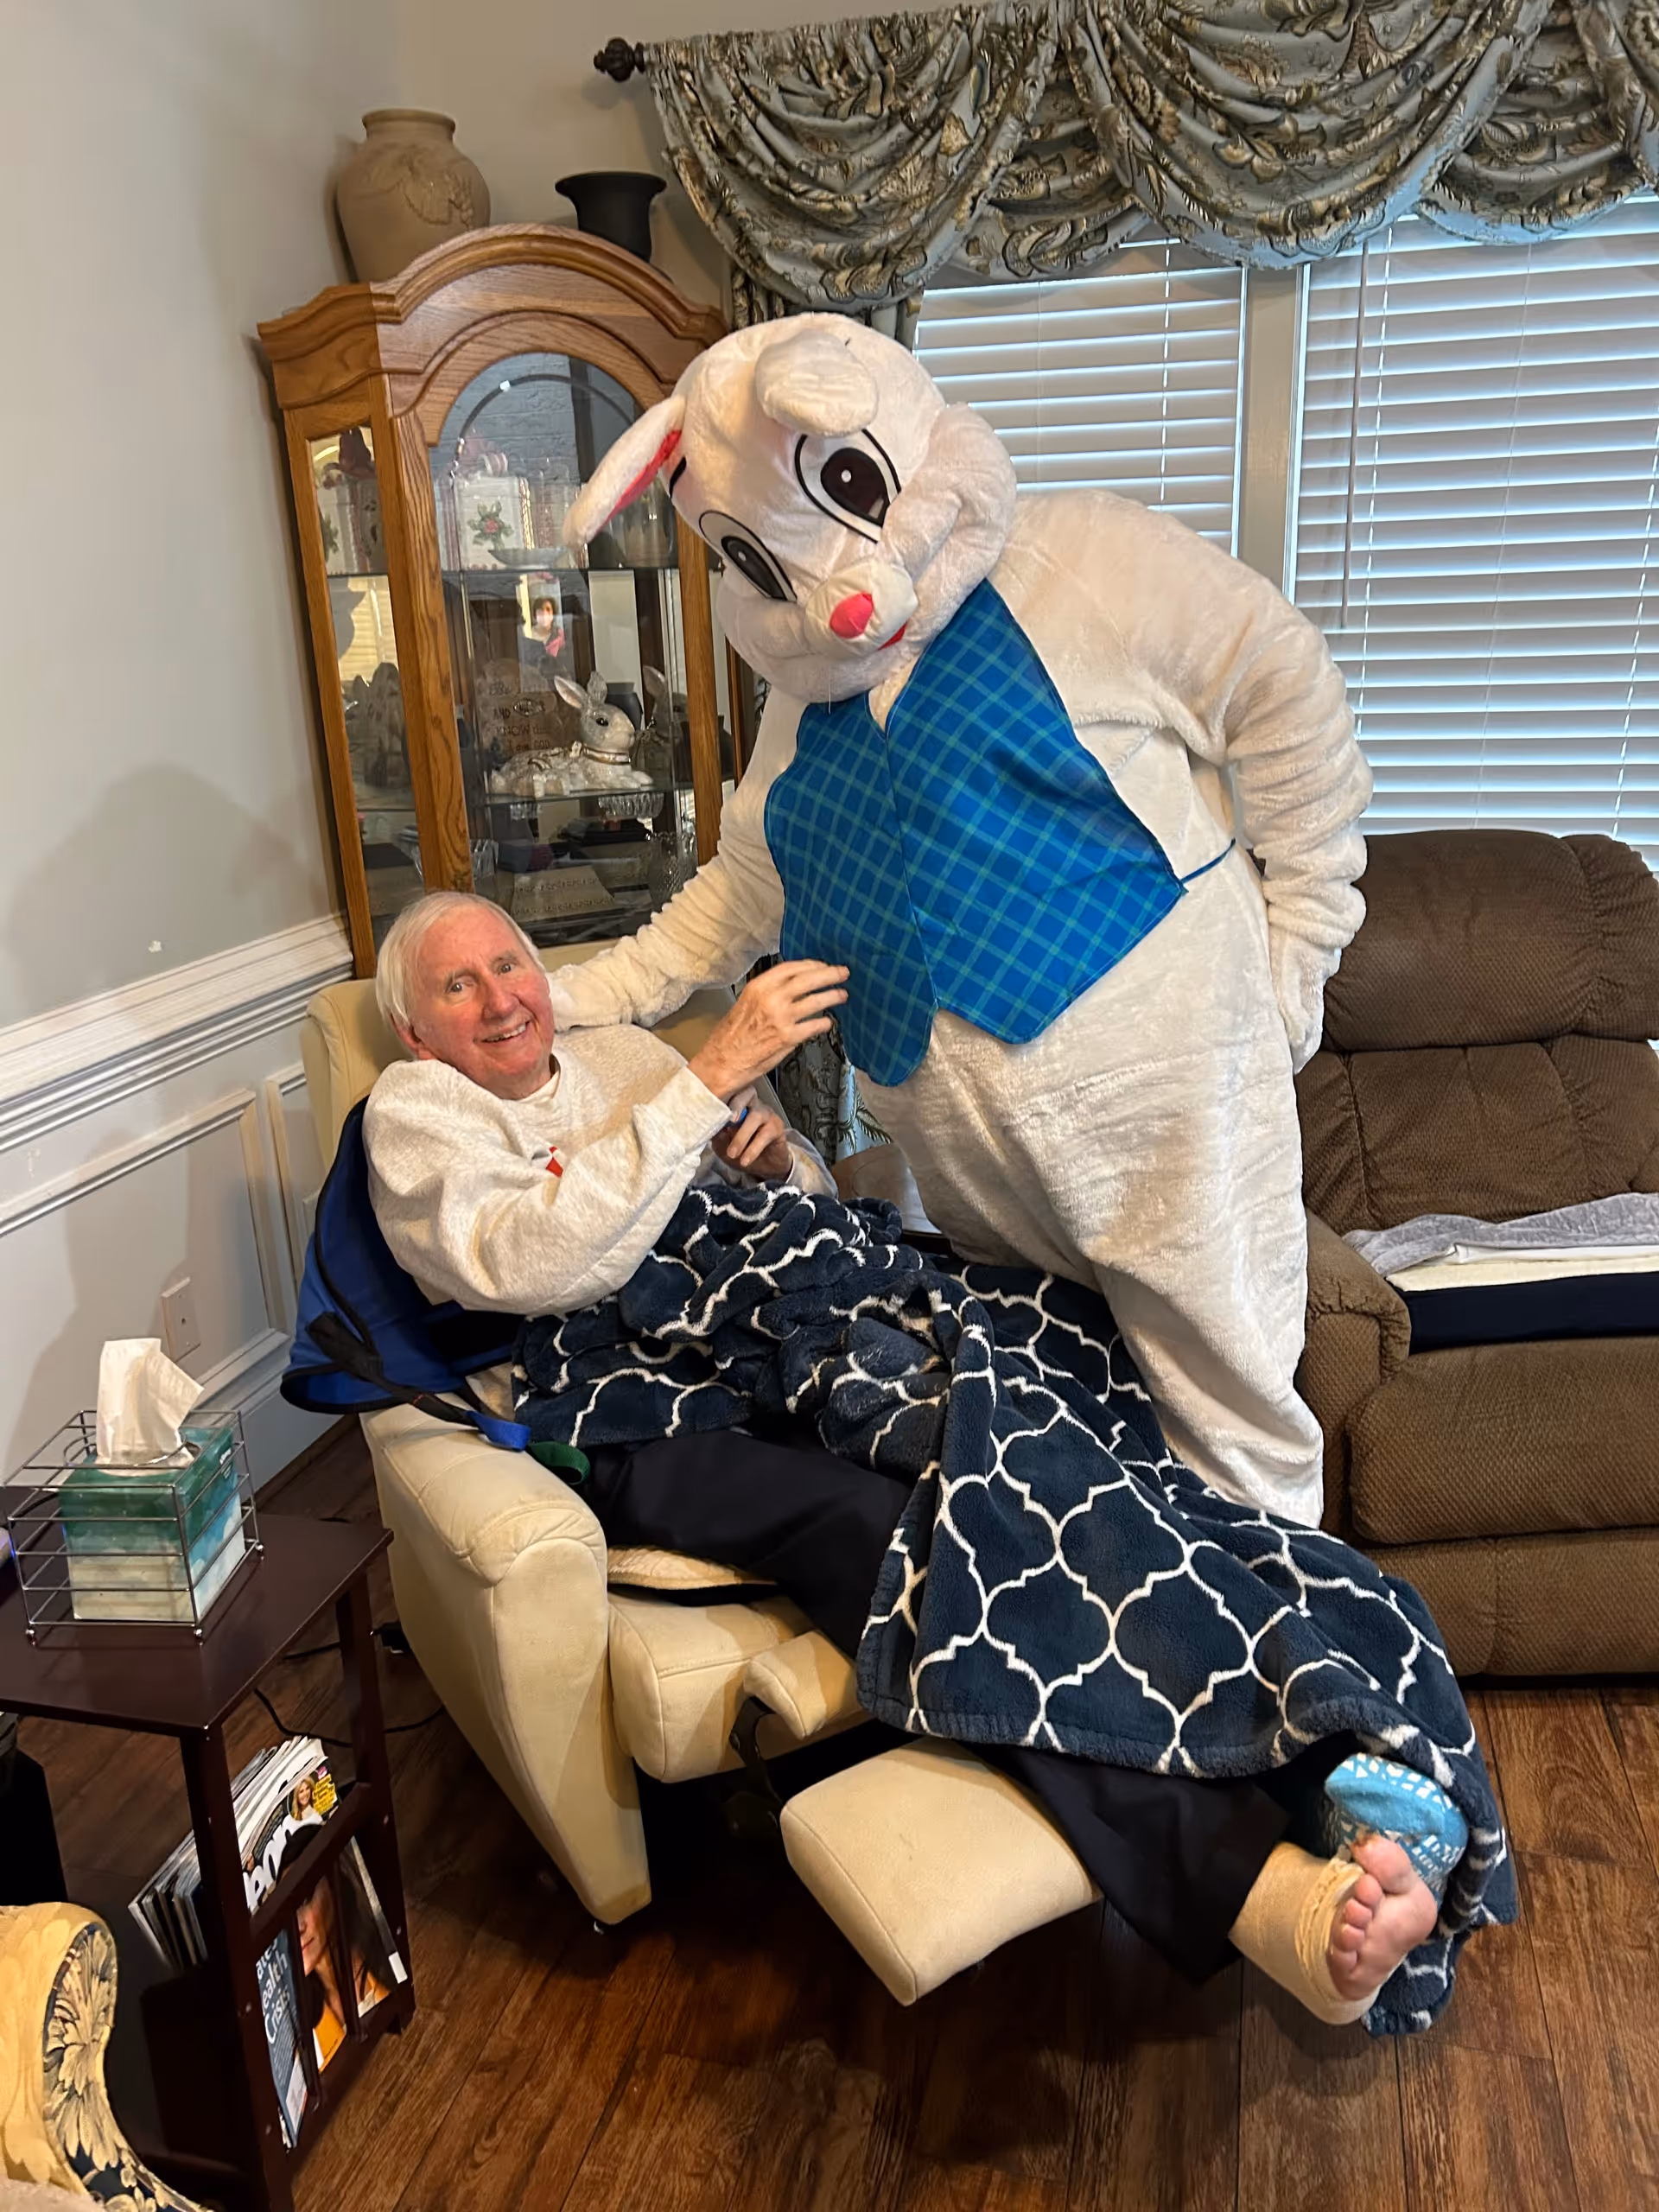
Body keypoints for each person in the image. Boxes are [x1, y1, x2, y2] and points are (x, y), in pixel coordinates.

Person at [363, 892, 1438, 2025]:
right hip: (635, 1408)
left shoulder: (620, 1050)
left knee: (1036, 1439)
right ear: (416, 1032)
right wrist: (710, 1071)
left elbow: (809, 1207)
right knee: (915, 1542)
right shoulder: (418, 1114)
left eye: (510, 963)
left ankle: (1325, 1744)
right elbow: (535, 1263)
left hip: (788, 1333)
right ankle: (1265, 1878)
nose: (501, 997)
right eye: (458, 985)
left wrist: (774, 1164)